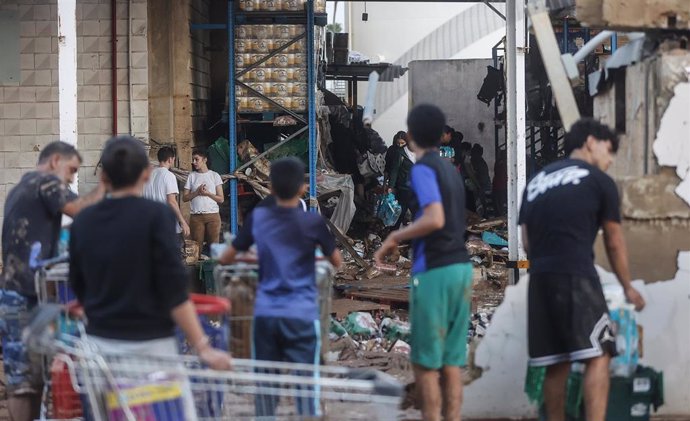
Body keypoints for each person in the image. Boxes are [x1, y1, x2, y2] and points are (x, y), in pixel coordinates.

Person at [69, 136, 231, 417]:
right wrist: (203, 346)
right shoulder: (155, 217)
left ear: (104, 175)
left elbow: (79, 285)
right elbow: (173, 289)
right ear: (146, 173)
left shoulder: (85, 220)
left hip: (100, 349)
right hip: (152, 348)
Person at [519, 119, 646, 421]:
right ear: (591, 142)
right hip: (575, 275)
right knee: (599, 354)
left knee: (556, 362)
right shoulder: (598, 180)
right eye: (609, 149)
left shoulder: (537, 180)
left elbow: (526, 241)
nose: (611, 158)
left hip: (540, 279)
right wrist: (627, 286)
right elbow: (614, 241)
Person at [218, 157, 342, 417]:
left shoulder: (259, 218)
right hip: (301, 314)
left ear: (270, 187)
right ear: (302, 188)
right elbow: (336, 261)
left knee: (266, 383)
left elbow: (227, 257)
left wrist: (254, 255)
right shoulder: (311, 222)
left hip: (266, 315)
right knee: (305, 383)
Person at [375, 105, 472, 421]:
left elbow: (434, 217)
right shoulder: (450, 169)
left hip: (435, 271)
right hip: (461, 269)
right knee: (452, 360)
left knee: (427, 363)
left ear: (411, 135)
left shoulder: (424, 168)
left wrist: (394, 238)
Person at [0, 141, 105, 421]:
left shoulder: (23, 187)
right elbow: (82, 210)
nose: (71, 178)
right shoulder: (45, 182)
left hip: (18, 292)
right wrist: (107, 184)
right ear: (55, 160)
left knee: (28, 379)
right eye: (71, 170)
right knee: (24, 381)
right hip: (23, 295)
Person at [143, 146, 191, 243]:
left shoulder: (147, 176)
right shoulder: (169, 176)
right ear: (170, 159)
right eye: (173, 159)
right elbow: (171, 201)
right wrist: (183, 222)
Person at [183, 149, 224, 257]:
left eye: (196, 159)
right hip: (196, 216)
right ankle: (198, 272)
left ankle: (213, 271)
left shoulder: (215, 175)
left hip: (213, 216)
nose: (194, 162)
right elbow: (184, 198)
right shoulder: (191, 176)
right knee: (196, 247)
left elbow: (221, 199)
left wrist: (208, 193)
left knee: (214, 247)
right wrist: (196, 192)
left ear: (205, 160)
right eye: (193, 160)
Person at [387, 131, 415, 229]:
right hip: (404, 188)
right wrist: (391, 186)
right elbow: (395, 170)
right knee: (400, 212)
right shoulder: (401, 153)